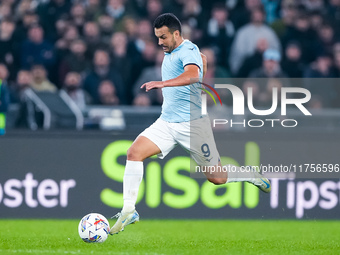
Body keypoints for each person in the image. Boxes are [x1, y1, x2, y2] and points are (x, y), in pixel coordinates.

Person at [110, 13, 271, 235]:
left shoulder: (186, 50)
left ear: (176, 34)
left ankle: (249, 174)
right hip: (166, 122)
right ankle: (129, 210)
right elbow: (200, 61)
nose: (160, 42)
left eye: (163, 37)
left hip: (193, 126)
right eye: (157, 37)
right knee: (134, 153)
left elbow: (193, 74)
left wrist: (162, 83)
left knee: (217, 178)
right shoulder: (180, 50)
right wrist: (200, 62)